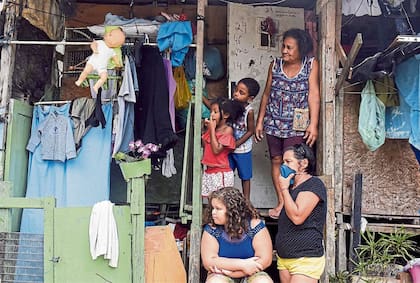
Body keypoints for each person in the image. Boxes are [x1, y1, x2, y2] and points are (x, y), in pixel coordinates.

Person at [255, 28, 320, 219]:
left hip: (297, 123)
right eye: (283, 46)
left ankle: (295, 202)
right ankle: (282, 202)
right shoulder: (274, 65)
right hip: (274, 121)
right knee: (276, 160)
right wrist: (260, 121)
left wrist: (313, 124)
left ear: (301, 49)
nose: (284, 51)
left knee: (293, 162)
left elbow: (314, 95)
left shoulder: (311, 64)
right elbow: (266, 94)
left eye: (289, 48)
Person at [275, 143, 327, 283]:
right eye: (283, 162)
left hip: (305, 258)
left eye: (288, 161)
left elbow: (297, 217)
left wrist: (284, 189)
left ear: (303, 163)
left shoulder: (314, 184)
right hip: (285, 258)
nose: (283, 166)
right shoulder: (292, 187)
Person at [201, 187, 274, 283]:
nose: (213, 212)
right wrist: (243, 264)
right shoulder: (211, 229)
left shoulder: (255, 226)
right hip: (220, 274)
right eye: (212, 208)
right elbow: (209, 262)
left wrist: (234, 274)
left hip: (252, 273)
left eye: (218, 209)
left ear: (233, 211)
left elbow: (265, 259)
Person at [201, 97, 244, 197]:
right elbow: (205, 145)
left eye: (215, 112)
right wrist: (207, 129)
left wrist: (211, 130)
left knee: (222, 203)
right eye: (211, 111)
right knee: (212, 203)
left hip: (221, 173)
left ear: (225, 115)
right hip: (209, 171)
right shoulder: (213, 129)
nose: (211, 115)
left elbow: (216, 150)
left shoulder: (227, 130)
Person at [228, 78, 260, 201]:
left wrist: (236, 144)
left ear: (250, 98)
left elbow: (250, 131)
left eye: (241, 93)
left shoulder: (249, 111)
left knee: (245, 176)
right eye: (236, 90)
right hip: (229, 149)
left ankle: (246, 201)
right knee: (228, 174)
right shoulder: (231, 104)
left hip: (242, 150)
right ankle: (227, 199)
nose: (236, 94)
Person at [75, 27, 125, 94]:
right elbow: (93, 44)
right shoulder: (100, 42)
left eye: (110, 34)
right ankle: (80, 80)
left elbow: (116, 59)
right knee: (86, 71)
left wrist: (118, 64)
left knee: (104, 77)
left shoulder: (111, 51)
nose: (107, 34)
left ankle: (96, 86)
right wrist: (95, 49)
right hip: (93, 62)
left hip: (102, 67)